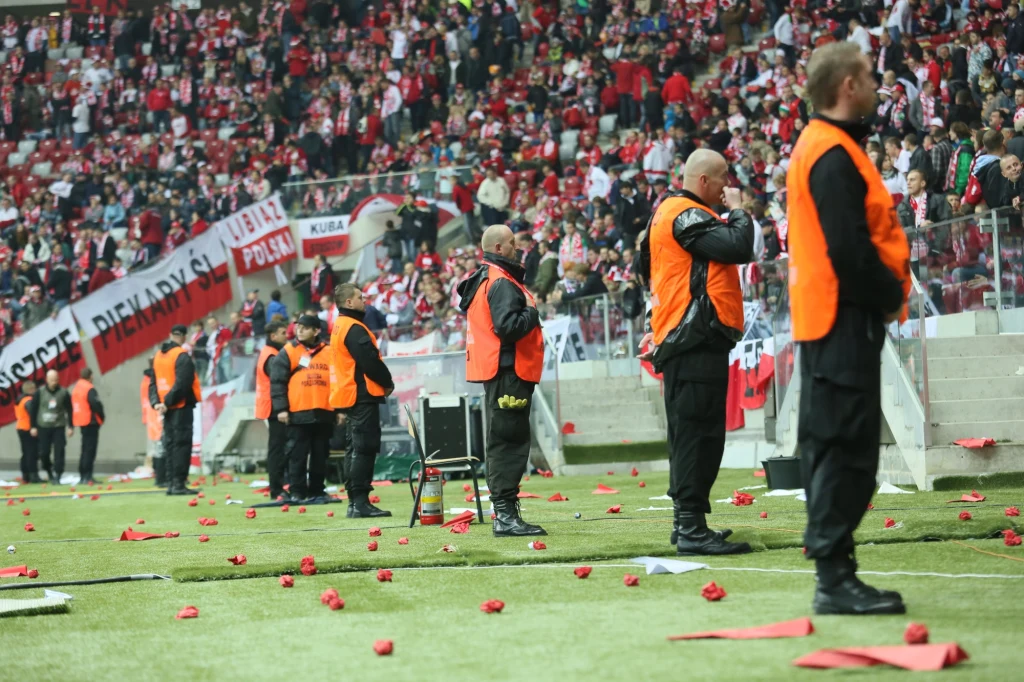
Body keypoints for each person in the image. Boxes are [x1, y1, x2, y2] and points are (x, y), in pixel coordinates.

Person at [787, 42, 910, 615]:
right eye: (868, 77)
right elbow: (850, 251)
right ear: (846, 87)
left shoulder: (825, 146)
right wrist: (889, 298)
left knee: (837, 443)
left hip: (829, 316)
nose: (876, 87)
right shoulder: (832, 153)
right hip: (843, 317)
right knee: (845, 448)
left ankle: (836, 574)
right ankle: (835, 579)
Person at [636, 148, 755, 557]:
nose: (727, 188)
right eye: (723, 179)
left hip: (687, 335)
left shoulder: (668, 213)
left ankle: (689, 523)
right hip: (692, 336)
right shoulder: (685, 213)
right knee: (697, 433)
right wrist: (740, 211)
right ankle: (690, 528)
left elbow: (643, 263)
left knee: (697, 431)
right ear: (704, 180)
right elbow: (739, 246)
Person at [457, 224, 546, 537]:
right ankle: (505, 517)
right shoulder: (502, 282)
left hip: (500, 371)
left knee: (503, 439)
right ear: (498, 248)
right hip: (510, 371)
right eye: (511, 243)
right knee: (509, 441)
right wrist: (533, 312)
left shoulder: (486, 278)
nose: (517, 247)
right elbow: (509, 327)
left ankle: (504, 513)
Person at [330, 283, 395, 518]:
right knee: (363, 448)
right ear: (349, 302)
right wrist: (388, 382)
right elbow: (370, 362)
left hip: (351, 393)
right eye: (360, 297)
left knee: (355, 449)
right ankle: (359, 503)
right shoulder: (354, 328)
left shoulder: (340, 325)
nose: (364, 300)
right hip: (362, 394)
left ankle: (355, 502)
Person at [270, 314, 333, 503]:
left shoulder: (329, 351)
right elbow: (277, 382)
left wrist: (340, 410)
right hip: (298, 412)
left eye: (305, 327)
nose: (300, 330)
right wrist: (281, 409)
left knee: (320, 455)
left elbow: (337, 380)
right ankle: (298, 491)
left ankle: (317, 490)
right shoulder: (288, 351)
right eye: (298, 327)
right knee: (297, 455)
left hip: (324, 410)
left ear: (316, 331)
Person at [150, 324, 202, 495]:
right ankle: (179, 484)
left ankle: (171, 483)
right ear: (184, 337)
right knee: (182, 445)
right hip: (180, 407)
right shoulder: (181, 356)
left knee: (170, 445)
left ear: (170, 334)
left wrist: (157, 402)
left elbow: (153, 382)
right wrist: (167, 402)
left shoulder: (158, 355)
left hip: (167, 409)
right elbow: (182, 384)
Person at [255, 321, 289, 500]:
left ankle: (279, 486)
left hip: (273, 406)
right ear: (273, 336)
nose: (287, 335)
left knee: (279, 448)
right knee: (277, 449)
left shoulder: (271, 353)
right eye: (283, 333)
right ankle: (277, 488)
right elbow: (280, 376)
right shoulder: (271, 355)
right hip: (274, 407)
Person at [28, 369, 73, 484]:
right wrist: (33, 426)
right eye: (52, 380)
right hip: (43, 427)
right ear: (47, 380)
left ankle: (58, 474)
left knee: (59, 450)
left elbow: (69, 409)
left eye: (56, 379)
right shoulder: (40, 392)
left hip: (58, 426)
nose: (54, 382)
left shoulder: (63, 392)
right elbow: (33, 409)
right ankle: (49, 470)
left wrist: (70, 426)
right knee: (44, 453)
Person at [71, 367, 105, 485]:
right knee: (90, 450)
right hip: (90, 422)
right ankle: (88, 476)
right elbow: (95, 404)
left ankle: (83, 475)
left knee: (84, 449)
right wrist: (102, 416)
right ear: (90, 376)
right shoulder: (89, 388)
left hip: (81, 421)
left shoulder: (77, 388)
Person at [140, 360, 165, 488]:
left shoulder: (146, 381)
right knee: (159, 447)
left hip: (151, 417)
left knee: (156, 447)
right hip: (155, 416)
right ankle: (160, 477)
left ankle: (158, 475)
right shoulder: (153, 381)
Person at [14, 380, 38, 483]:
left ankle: (25, 475)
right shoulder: (28, 400)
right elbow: (32, 413)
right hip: (28, 428)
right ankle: (33, 476)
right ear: (31, 389)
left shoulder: (19, 400)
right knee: (31, 453)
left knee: (25, 453)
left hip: (20, 427)